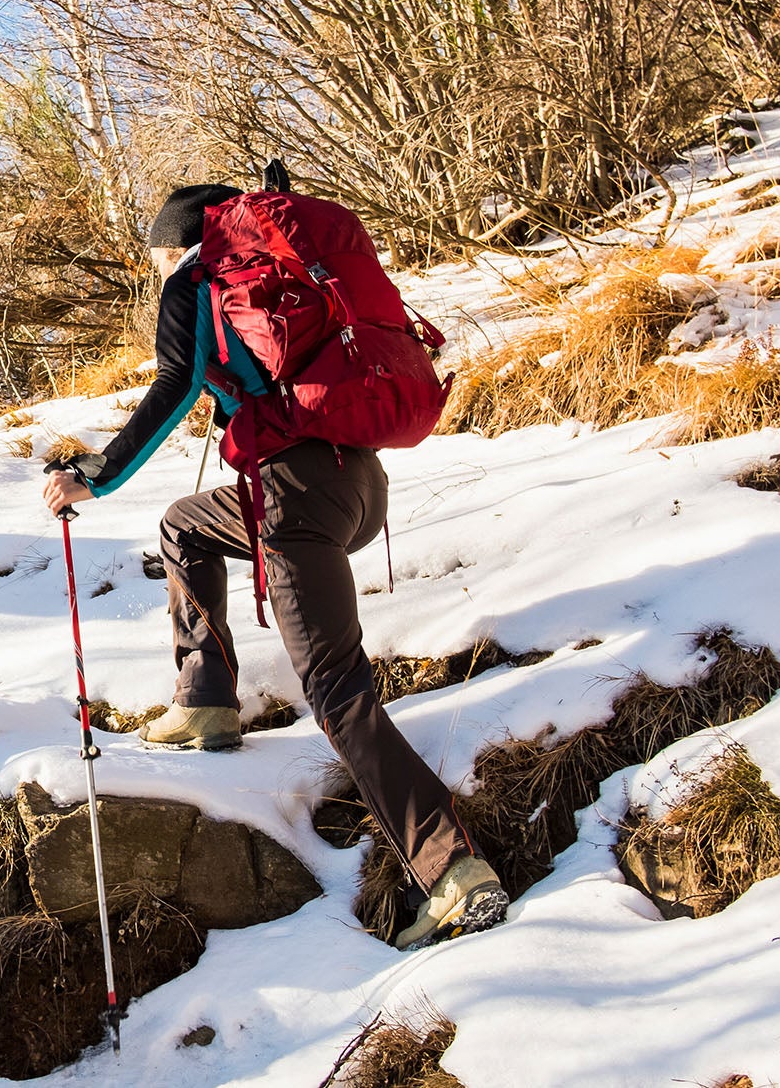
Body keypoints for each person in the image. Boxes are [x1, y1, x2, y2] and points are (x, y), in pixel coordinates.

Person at [39, 182, 509, 950]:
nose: (158, 272)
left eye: (157, 259)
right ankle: (205, 701)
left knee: (338, 694)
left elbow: (172, 386)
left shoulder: (196, 281)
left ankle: (455, 872)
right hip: (358, 486)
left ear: (176, 245)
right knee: (184, 525)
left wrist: (96, 475)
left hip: (295, 500)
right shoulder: (289, 268)